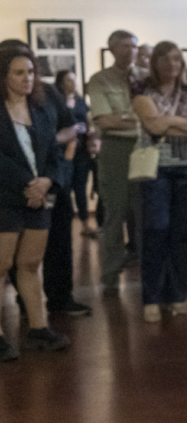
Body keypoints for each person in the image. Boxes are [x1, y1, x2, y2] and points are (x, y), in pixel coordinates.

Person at [0, 47, 74, 361]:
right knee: (1, 266)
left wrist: (47, 181)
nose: (27, 78)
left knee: (30, 265)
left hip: (37, 198)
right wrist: (28, 183)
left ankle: (38, 329)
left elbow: (54, 154)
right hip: (6, 198)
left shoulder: (42, 110)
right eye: (19, 72)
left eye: (30, 72)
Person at [131, 41, 187, 322]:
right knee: (156, 230)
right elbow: (152, 125)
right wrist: (186, 126)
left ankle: (176, 294)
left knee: (180, 234)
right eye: (165, 59)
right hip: (156, 169)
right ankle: (152, 297)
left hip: (186, 167)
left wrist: (170, 121)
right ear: (155, 62)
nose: (171, 64)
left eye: (176, 59)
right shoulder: (142, 89)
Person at [87, 30, 148, 294]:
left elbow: (155, 114)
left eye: (133, 46)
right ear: (111, 49)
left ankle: (149, 270)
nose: (130, 51)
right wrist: (138, 119)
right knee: (115, 212)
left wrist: (123, 118)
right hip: (115, 150)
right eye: (124, 46)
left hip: (144, 148)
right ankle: (111, 274)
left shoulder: (147, 77)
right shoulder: (99, 80)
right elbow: (105, 121)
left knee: (145, 212)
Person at [45, 69, 93, 317]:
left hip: (53, 175)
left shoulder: (48, 95)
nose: (26, 77)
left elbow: (71, 129)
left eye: (29, 71)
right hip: (14, 180)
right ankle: (24, 301)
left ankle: (61, 297)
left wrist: (60, 165)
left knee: (60, 239)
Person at [58, 70, 98, 239]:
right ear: (61, 83)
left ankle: (85, 223)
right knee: (64, 188)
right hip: (63, 151)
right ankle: (63, 225)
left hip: (81, 151)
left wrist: (92, 135)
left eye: (74, 80)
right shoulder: (58, 101)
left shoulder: (80, 101)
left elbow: (88, 120)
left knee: (80, 187)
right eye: (69, 80)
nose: (73, 83)